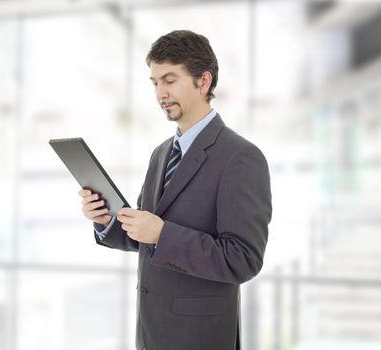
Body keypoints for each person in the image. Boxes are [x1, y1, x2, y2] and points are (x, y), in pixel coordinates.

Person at [79, 30, 272, 350]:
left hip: (199, 338)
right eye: (155, 82)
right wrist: (106, 219)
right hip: (151, 334)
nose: (160, 93)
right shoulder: (161, 154)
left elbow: (243, 259)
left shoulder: (241, 157)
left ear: (204, 81)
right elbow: (143, 235)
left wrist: (162, 234)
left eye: (170, 80)